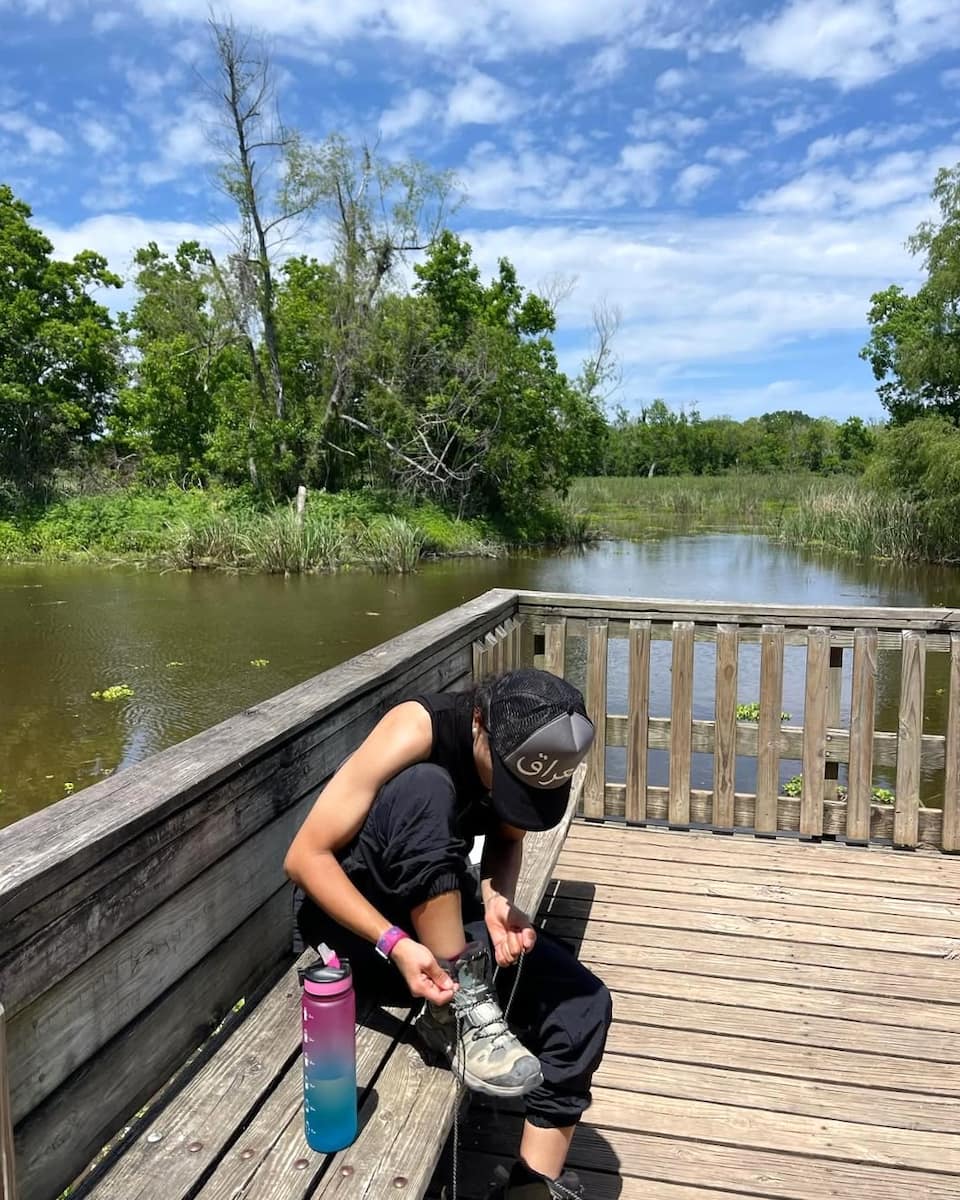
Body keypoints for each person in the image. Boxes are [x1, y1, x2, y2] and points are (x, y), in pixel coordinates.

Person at [285, 667, 613, 1200]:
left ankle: (530, 1188)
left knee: (583, 1005)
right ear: (479, 722)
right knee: (426, 785)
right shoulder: (418, 729)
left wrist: (499, 900)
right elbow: (304, 857)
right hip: (357, 930)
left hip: (438, 915)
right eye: (507, 779)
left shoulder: (521, 752)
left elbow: (507, 838)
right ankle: (453, 1009)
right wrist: (394, 943)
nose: (509, 795)